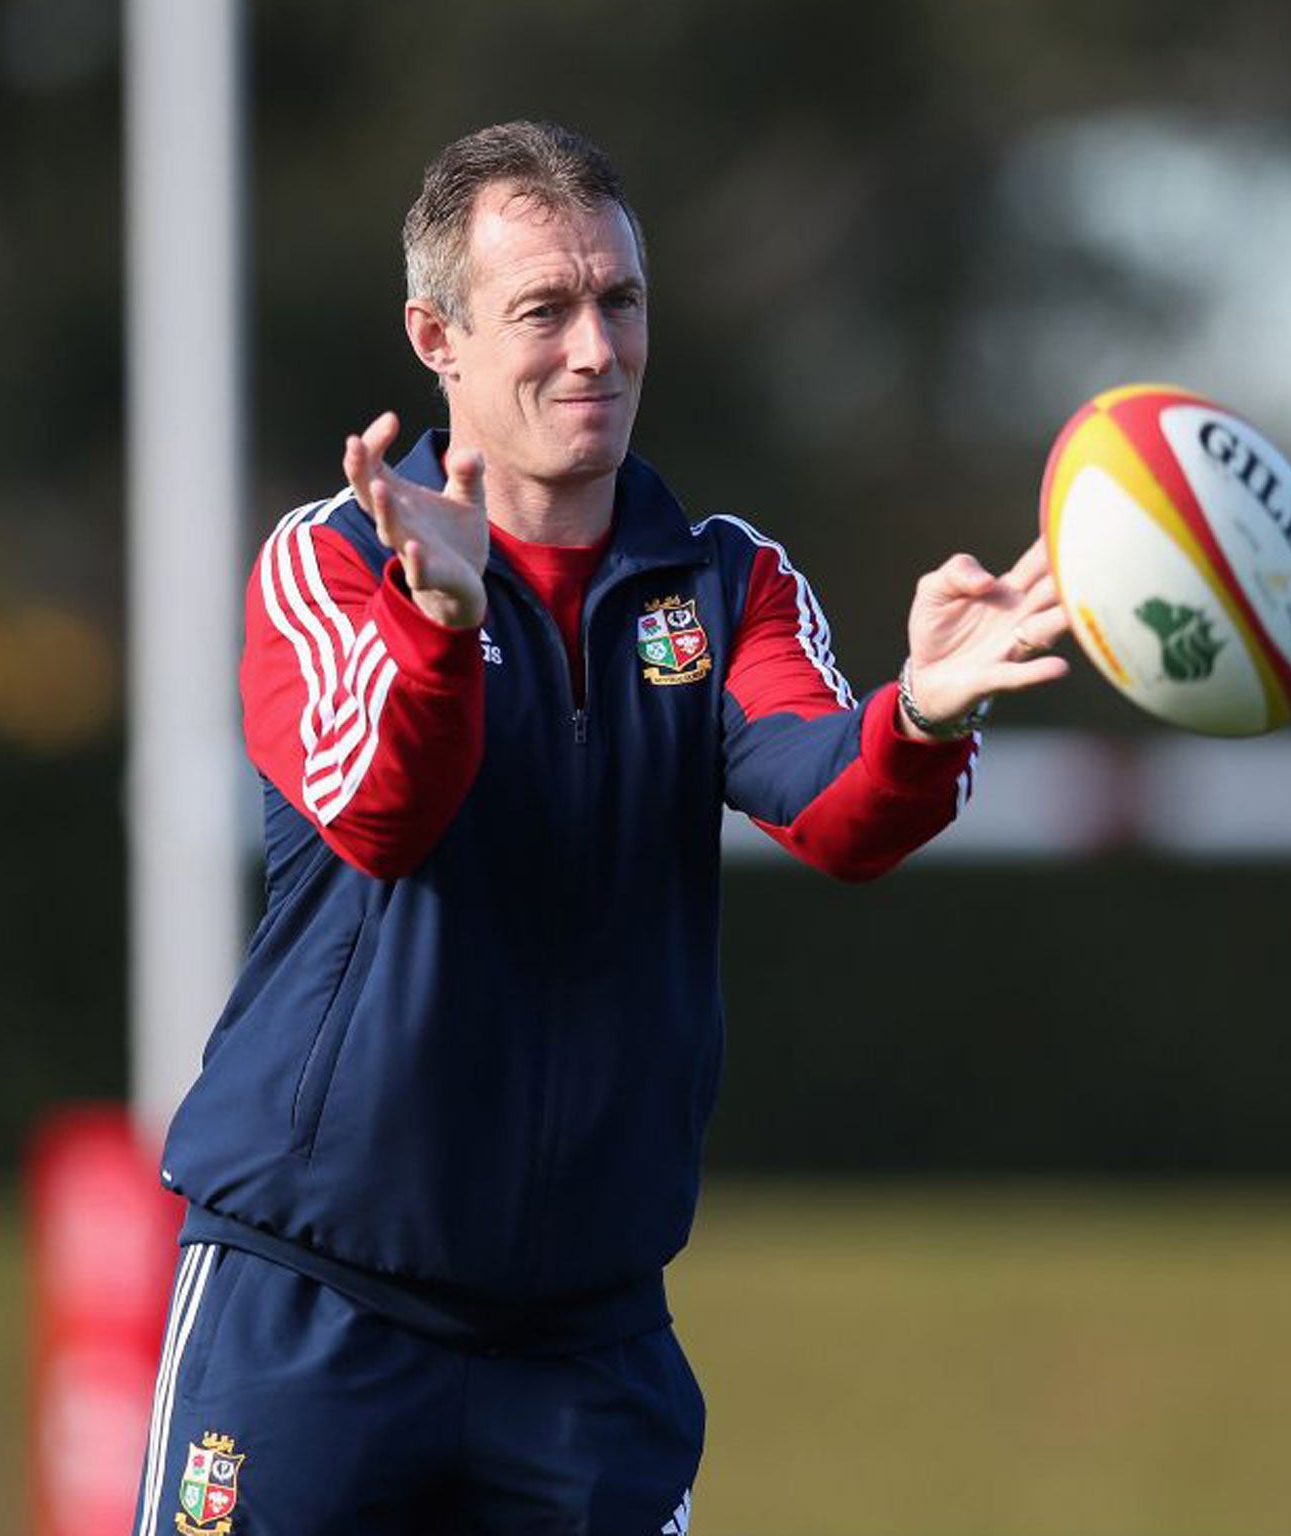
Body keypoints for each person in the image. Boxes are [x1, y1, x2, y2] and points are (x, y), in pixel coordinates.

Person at [131, 119, 1069, 1536]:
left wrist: (925, 714)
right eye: (544, 312)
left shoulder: (724, 576)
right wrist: (445, 626)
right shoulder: (330, 561)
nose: (596, 350)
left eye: (619, 302)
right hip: (310, 1308)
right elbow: (383, 816)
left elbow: (831, 804)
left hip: (584, 1349)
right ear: (435, 337)